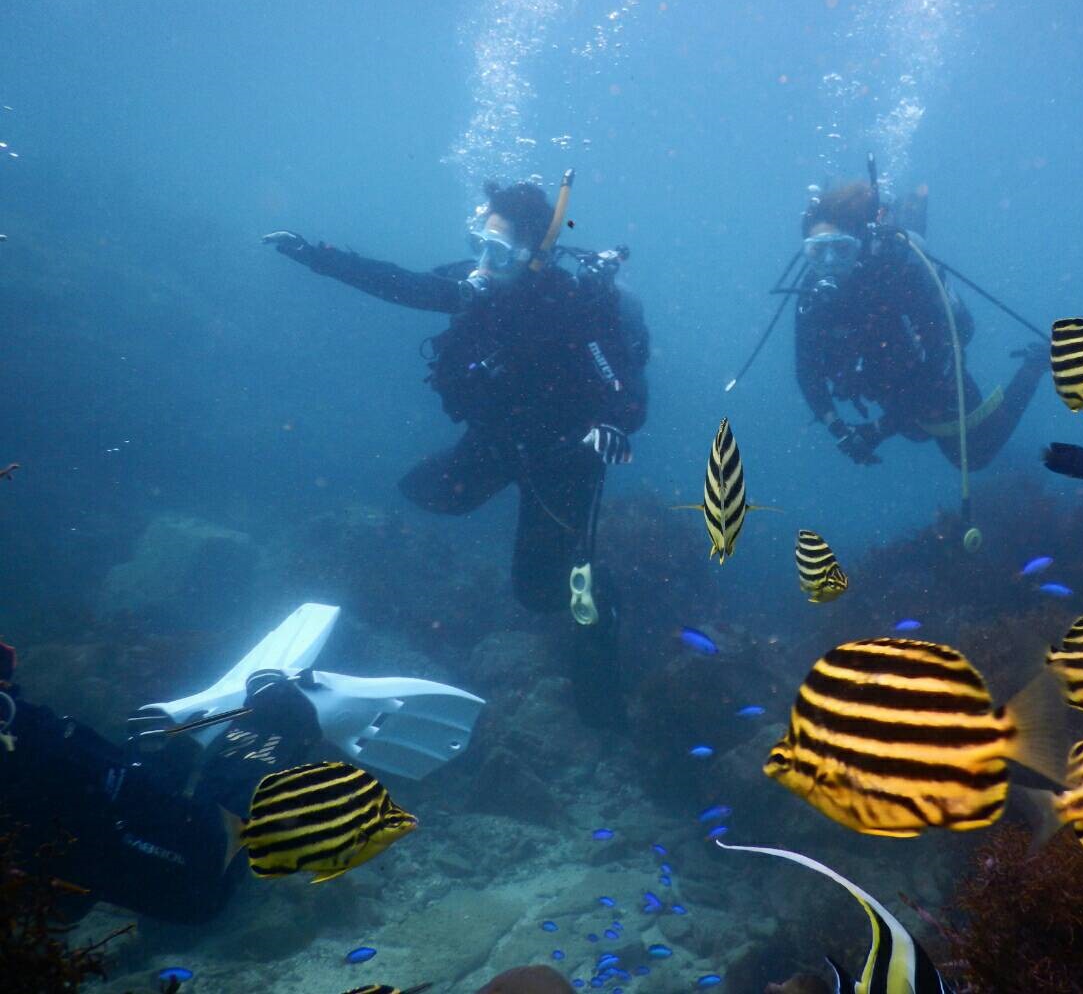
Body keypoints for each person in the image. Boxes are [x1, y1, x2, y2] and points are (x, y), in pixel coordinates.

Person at [262, 179, 649, 640]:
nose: (483, 263)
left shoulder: (571, 306)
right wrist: (315, 256)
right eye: (478, 244)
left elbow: (625, 391)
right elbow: (400, 284)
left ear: (533, 254)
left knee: (538, 595)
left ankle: (603, 597)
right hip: (499, 440)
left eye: (498, 252)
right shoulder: (472, 287)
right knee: (424, 493)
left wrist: (612, 424)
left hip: (561, 460)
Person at [0, 604, 481, 924]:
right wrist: (271, 733)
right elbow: (198, 882)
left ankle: (222, 734)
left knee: (147, 790)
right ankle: (277, 721)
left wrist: (169, 751)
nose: (10, 675)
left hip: (79, 810)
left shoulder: (24, 732)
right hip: (133, 842)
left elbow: (95, 810)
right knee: (204, 863)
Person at [793, 182, 1047, 468]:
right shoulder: (814, 295)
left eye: (841, 249)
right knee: (917, 433)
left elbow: (941, 363)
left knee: (973, 457)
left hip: (937, 383)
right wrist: (838, 429)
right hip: (889, 389)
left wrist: (880, 429)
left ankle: (1034, 365)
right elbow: (807, 370)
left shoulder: (898, 278)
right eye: (817, 251)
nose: (829, 262)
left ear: (859, 243)